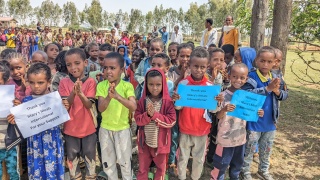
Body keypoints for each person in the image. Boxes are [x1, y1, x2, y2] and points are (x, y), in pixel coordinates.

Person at [7, 63, 65, 180]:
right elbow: (23, 123)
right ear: (28, 82)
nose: (36, 86)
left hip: (52, 142)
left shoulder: (55, 99)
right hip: (35, 143)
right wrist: (14, 119)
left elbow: (61, 121)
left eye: (40, 82)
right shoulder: (26, 101)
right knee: (37, 169)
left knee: (53, 168)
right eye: (32, 83)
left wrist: (64, 107)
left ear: (48, 81)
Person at [172, 47, 223, 180]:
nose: (199, 70)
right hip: (185, 129)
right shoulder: (183, 84)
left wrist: (217, 103)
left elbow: (213, 111)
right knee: (182, 158)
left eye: (202, 67)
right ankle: (181, 177)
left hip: (202, 131)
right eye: (195, 66)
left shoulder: (210, 87)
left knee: (199, 159)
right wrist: (176, 100)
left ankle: (195, 178)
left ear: (207, 67)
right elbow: (178, 108)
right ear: (189, 65)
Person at [240, 46, 289, 180]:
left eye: (269, 62)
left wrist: (277, 92)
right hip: (254, 121)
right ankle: (245, 171)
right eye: (262, 61)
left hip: (270, 121)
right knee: (249, 149)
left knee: (266, 149)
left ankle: (263, 170)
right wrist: (267, 88)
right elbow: (245, 95)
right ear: (256, 60)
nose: (265, 64)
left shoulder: (277, 77)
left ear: (274, 62)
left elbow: (285, 94)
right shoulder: (251, 77)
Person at [210, 63, 264, 180]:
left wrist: (258, 113)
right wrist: (224, 109)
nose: (238, 80)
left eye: (242, 77)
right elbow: (218, 116)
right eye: (234, 76)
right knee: (221, 165)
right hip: (224, 139)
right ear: (229, 76)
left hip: (240, 139)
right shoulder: (222, 95)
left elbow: (251, 115)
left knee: (237, 166)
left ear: (246, 79)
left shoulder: (247, 97)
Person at [96, 52, 137, 179]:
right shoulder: (102, 86)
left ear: (121, 70)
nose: (108, 71)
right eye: (105, 68)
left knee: (125, 162)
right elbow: (101, 108)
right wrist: (109, 97)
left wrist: (118, 97)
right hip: (105, 130)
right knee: (108, 163)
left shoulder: (127, 86)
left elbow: (133, 106)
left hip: (123, 130)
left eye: (112, 68)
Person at [58, 48, 97, 179]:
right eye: (69, 65)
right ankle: (75, 176)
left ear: (85, 62)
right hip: (70, 129)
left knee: (90, 155)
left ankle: (91, 176)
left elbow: (88, 104)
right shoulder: (64, 82)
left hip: (88, 128)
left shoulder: (91, 82)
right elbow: (66, 105)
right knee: (72, 156)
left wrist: (80, 93)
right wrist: (73, 92)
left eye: (77, 63)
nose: (73, 67)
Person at [135, 69, 176, 180]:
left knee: (161, 169)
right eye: (151, 84)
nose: (154, 88)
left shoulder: (167, 102)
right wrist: (147, 115)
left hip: (161, 145)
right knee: (143, 169)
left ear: (163, 84)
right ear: (146, 84)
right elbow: (138, 120)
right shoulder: (142, 101)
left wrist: (154, 115)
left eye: (158, 84)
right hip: (145, 144)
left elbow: (171, 121)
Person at [0, 61, 20, 180]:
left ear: (7, 82)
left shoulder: (13, 100)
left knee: (13, 173)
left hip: (10, 143)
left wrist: (17, 113)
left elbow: (20, 121)